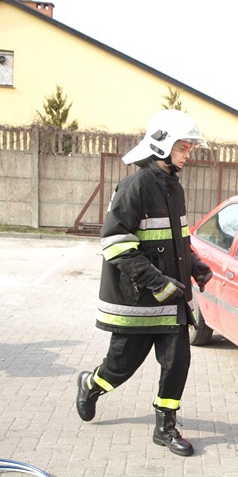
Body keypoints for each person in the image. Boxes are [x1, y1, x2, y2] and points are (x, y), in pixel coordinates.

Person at [75, 109, 214, 457]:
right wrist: (155, 281)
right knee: (119, 369)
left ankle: (165, 426)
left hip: (171, 299)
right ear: (162, 145)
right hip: (139, 300)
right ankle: (91, 384)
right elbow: (115, 244)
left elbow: (179, 239)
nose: (188, 154)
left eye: (190, 147)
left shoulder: (173, 187)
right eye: (183, 147)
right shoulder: (134, 186)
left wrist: (196, 265)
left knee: (177, 363)